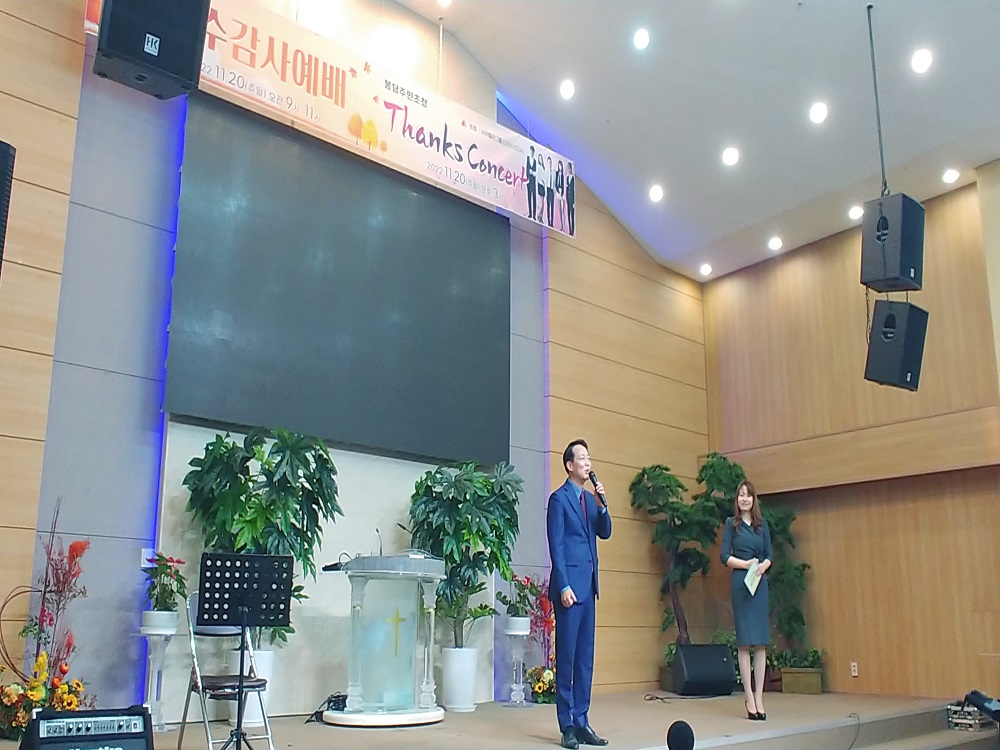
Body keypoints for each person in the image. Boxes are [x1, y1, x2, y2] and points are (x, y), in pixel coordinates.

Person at [546, 439, 613, 749]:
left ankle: (583, 720)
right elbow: (556, 546)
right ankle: (568, 726)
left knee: (585, 660)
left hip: (589, 587)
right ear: (569, 465)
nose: (588, 463)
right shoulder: (559, 499)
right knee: (568, 658)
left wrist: (602, 505)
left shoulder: (589, 498)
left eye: (589, 457)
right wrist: (563, 585)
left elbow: (605, 532)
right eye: (582, 458)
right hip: (570, 590)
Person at [720, 480, 772, 721]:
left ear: (754, 499)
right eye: (741, 495)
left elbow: (769, 554)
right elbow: (724, 556)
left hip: (759, 584)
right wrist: (746, 564)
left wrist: (763, 566)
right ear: (737, 499)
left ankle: (760, 697)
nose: (744, 499)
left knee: (760, 643)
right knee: (744, 642)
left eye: (748, 495)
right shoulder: (732, 524)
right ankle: (749, 696)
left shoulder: (763, 525)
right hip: (741, 583)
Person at [526, 146, 537, 221]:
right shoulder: (527, 159)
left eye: (532, 151)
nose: (531, 153)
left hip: (533, 181)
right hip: (528, 181)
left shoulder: (535, 161)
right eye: (530, 151)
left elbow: (536, 172)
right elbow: (526, 169)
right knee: (529, 197)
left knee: (534, 198)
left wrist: (532, 173)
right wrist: (527, 178)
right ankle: (530, 213)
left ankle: (534, 215)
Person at [566, 162, 576, 235]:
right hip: (568, 199)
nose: (569, 170)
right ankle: (570, 229)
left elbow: (573, 191)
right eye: (568, 169)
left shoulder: (573, 179)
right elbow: (567, 189)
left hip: (572, 200)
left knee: (572, 215)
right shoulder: (567, 178)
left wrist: (574, 203)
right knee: (568, 214)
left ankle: (572, 230)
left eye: (570, 169)